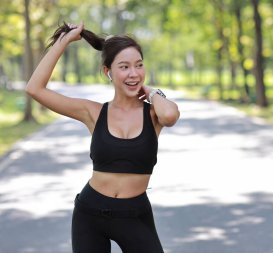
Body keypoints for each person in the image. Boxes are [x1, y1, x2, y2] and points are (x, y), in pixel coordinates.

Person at [26, 21, 180, 253]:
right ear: (108, 72)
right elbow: (35, 88)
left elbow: (169, 115)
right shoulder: (94, 112)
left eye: (139, 65)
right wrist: (64, 40)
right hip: (90, 212)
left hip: (134, 214)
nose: (134, 73)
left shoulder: (153, 114)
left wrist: (152, 92)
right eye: (124, 67)